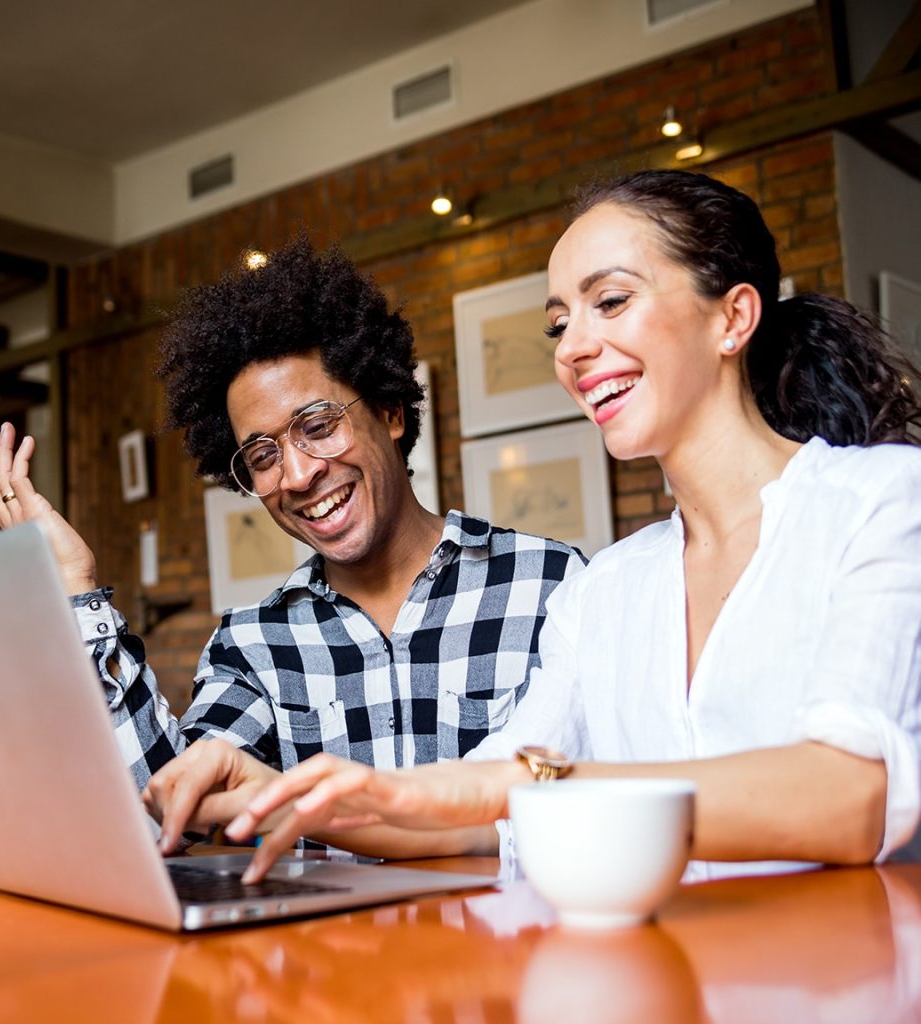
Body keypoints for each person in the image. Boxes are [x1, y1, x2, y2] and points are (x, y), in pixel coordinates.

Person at [144, 169, 921, 883]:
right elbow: (484, 811)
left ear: (734, 316)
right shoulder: (611, 587)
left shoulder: (882, 501)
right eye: (559, 325)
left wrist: (542, 784)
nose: (575, 348)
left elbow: (850, 796)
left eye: (610, 301)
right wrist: (294, 799)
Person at [0, 237, 585, 851]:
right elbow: (170, 813)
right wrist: (76, 588)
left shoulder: (553, 588)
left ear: (391, 412)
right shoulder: (255, 643)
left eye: (317, 426)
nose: (296, 474)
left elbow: (602, 798)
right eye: (262, 455)